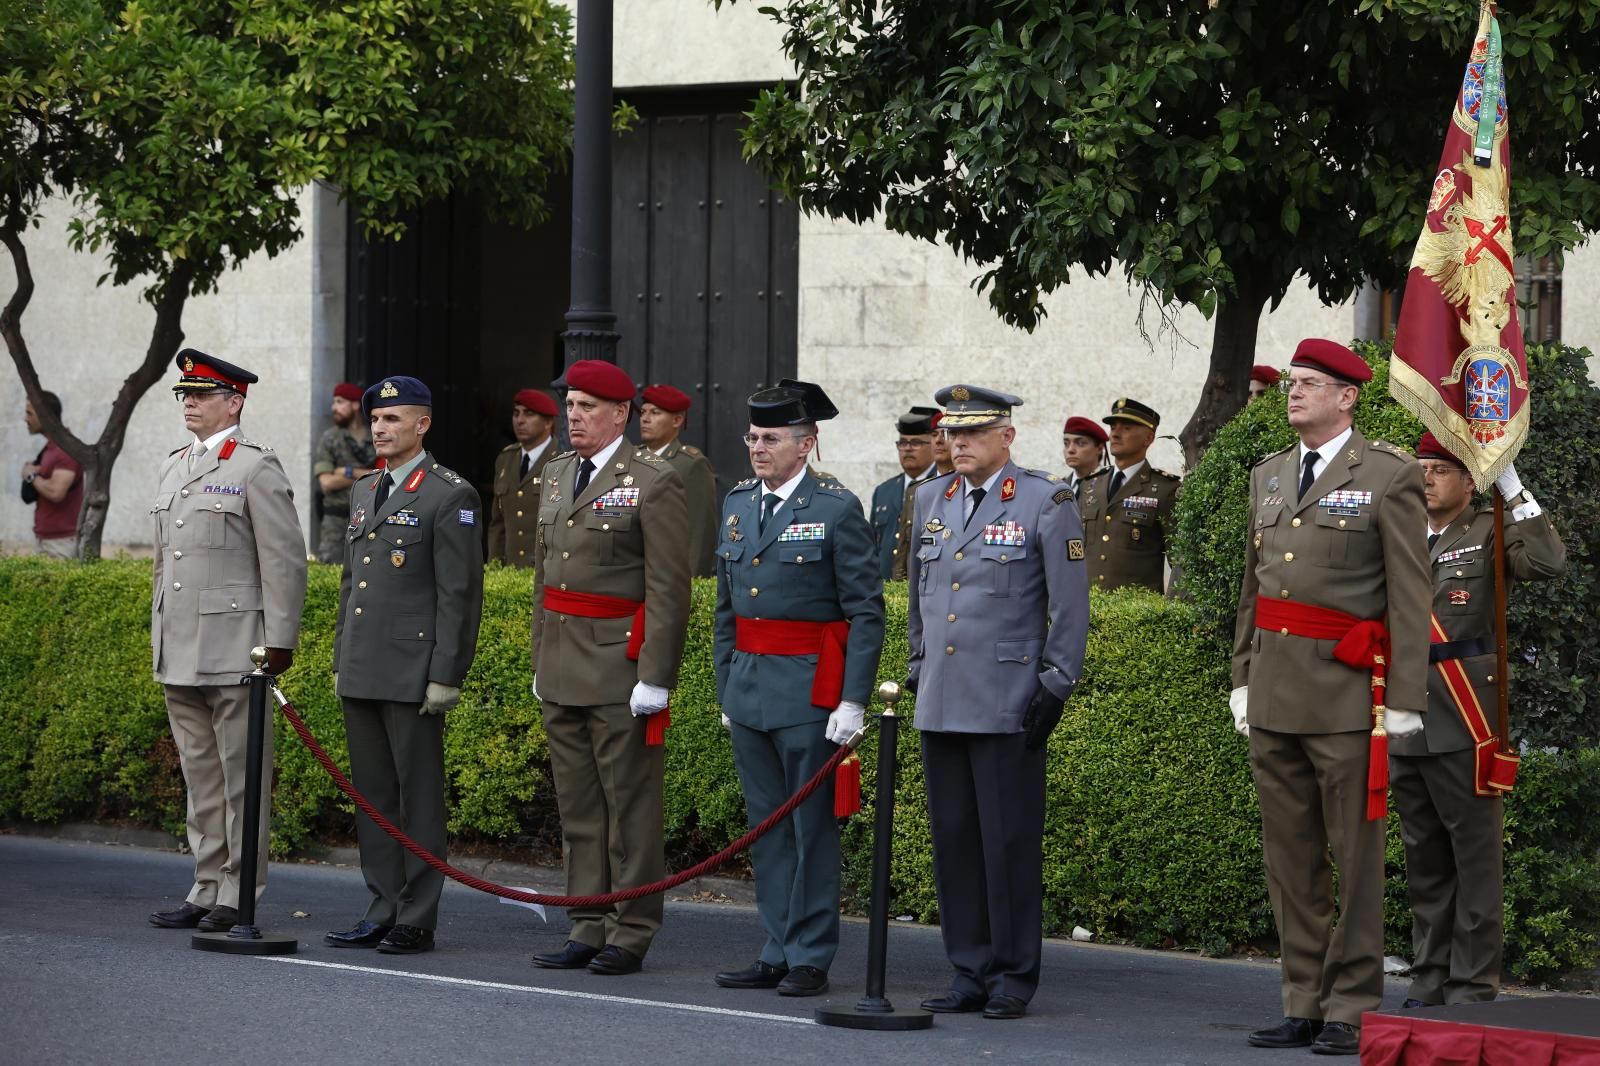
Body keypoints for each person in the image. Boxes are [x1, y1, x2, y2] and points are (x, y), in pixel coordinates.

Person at [1230, 339, 1430, 1055]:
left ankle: (1350, 1004)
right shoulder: (1270, 476)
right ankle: (1302, 1000)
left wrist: (1406, 694)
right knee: (1290, 861)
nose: (1296, 393)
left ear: (1349, 397)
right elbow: (1253, 589)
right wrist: (1242, 678)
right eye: (1293, 383)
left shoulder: (1387, 474)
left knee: (1356, 858)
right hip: (1276, 694)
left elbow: (1410, 592)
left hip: (1351, 700)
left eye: (1312, 384)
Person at [906, 384, 1089, 1020]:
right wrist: (916, 668)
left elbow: (1069, 604)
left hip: (1009, 698)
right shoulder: (931, 498)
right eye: (952, 434)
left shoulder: (1045, 500)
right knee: (954, 840)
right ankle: (968, 968)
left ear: (1006, 437)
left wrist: (1056, 681)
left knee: (1006, 843)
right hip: (942, 699)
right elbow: (918, 599)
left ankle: (1013, 975)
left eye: (973, 433)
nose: (957, 444)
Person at [711, 381, 885, 998]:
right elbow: (726, 609)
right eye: (753, 437)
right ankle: (776, 946)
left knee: (811, 830)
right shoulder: (736, 504)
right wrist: (725, 684)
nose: (758, 448)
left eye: (772, 438)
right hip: (751, 689)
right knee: (767, 828)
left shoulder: (836, 509)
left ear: (806, 443)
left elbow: (865, 611)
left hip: (811, 695)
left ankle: (810, 953)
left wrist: (852, 700)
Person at [530, 359, 692, 976]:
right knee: (577, 808)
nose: (574, 417)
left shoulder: (653, 479)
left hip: (620, 668)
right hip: (564, 663)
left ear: (620, 414)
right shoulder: (557, 474)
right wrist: (540, 656)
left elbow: (668, 588)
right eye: (570, 406)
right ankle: (587, 921)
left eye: (587, 407)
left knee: (630, 807)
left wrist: (656, 675)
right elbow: (546, 579)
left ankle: (633, 927)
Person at [1392, 433, 1565, 1007]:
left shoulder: (1488, 529)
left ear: (1470, 481)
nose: (1428, 478)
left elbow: (1547, 561)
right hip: (1403, 713)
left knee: (1474, 859)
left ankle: (1472, 983)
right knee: (1424, 859)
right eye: (1422, 467)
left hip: (1464, 712)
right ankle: (1429, 977)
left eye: (1441, 469)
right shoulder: (1396, 533)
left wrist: (1512, 486)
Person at [147, 350, 308, 933]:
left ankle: (238, 892)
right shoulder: (173, 466)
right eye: (184, 394)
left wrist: (280, 640)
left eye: (201, 394)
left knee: (243, 778)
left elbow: (284, 561)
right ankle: (205, 883)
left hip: (237, 647)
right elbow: (165, 565)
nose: (189, 402)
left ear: (233, 402)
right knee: (201, 777)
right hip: (180, 647)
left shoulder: (255, 467)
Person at [324, 375, 484, 956]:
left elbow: (459, 595)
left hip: (414, 670)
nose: (380, 429)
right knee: (372, 796)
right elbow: (351, 585)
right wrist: (343, 654)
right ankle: (381, 905)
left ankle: (417, 914)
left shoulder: (447, 494)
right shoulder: (365, 490)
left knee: (417, 797)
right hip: (364, 665)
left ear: (423, 425)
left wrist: (447, 673)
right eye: (376, 420)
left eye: (394, 420)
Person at [1076, 398, 1180, 592]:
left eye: (1126, 428)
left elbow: (1180, 563)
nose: (1115, 434)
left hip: (1137, 616)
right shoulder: (1090, 485)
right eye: (1113, 427)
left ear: (1148, 438)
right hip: (1088, 609)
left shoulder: (1165, 489)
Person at [638, 383, 718, 578]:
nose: (645, 419)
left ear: (677, 420)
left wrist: (692, 582)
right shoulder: (631, 458)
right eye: (643, 412)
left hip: (667, 575)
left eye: (655, 413)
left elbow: (700, 531)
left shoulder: (691, 465)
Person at [487, 388, 559, 567]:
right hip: (511, 573)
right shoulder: (506, 458)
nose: (520, 420)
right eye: (516, 413)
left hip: (547, 572)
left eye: (529, 414)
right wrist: (494, 567)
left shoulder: (563, 458)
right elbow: (498, 523)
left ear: (548, 422)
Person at [869, 407, 939, 580]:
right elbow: (873, 547)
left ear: (934, 444)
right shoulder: (884, 491)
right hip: (886, 592)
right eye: (902, 443)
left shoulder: (944, 486)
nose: (907, 449)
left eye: (916, 442)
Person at [312, 383, 378, 564]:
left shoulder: (376, 437)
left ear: (355, 405)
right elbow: (326, 483)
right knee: (330, 568)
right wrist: (368, 475)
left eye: (340, 402)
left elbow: (385, 476)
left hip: (371, 518)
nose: (334, 408)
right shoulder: (330, 439)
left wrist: (348, 472)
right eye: (334, 402)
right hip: (336, 522)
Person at [21, 391, 83, 558]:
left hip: (60, 543)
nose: (25, 419)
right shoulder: (52, 448)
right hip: (46, 540)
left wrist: (31, 476)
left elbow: (56, 492)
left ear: (44, 415)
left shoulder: (65, 450)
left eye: (29, 413)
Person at [1060, 415, 1108, 498]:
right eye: (1066, 444)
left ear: (1099, 449)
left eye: (1080, 443)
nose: (1070, 450)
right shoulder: (1058, 488)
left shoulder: (1109, 485)